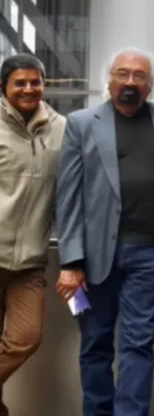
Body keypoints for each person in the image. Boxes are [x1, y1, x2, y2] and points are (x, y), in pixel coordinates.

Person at [55, 48, 154, 416]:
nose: (130, 81)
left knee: (139, 344)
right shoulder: (82, 123)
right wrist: (71, 261)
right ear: (110, 79)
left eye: (139, 76)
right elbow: (68, 196)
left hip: (149, 253)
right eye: (122, 73)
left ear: (150, 84)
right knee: (95, 344)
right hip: (93, 258)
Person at [0, 54, 64, 415]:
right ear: (4, 86)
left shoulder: (61, 128)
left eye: (35, 82)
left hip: (30, 263)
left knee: (27, 337)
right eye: (19, 83)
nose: (28, 89)